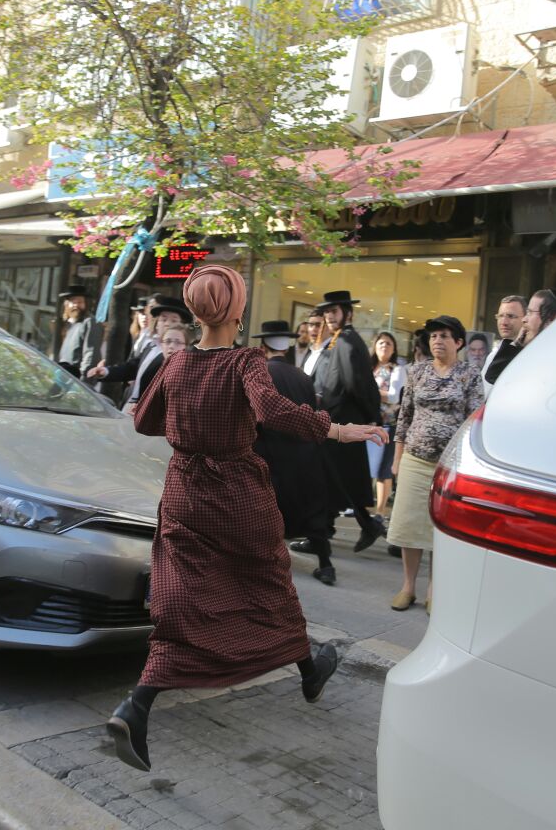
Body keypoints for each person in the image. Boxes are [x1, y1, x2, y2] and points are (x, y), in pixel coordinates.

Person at [107, 265, 387, 773]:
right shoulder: (245, 362)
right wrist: (340, 431)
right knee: (267, 583)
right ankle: (307, 669)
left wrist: (187, 407)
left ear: (194, 311)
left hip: (185, 491)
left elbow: (146, 421)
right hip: (237, 491)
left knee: (183, 598)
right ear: (236, 310)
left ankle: (139, 704)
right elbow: (276, 413)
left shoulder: (177, 364)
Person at [388, 316, 484, 612]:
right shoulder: (416, 371)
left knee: (440, 529)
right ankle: (408, 586)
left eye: (444, 336)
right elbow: (404, 417)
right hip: (415, 459)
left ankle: (434, 590)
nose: (438, 341)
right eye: (433, 337)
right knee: (408, 524)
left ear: (458, 342)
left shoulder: (470, 373)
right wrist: (397, 459)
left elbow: (475, 420)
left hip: (451, 464)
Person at [252, 320, 337, 586]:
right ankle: (325, 564)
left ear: (263, 345)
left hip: (271, 454)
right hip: (305, 455)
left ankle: (266, 567)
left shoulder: (260, 375)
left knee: (269, 512)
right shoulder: (302, 377)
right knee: (312, 512)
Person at [310, 290, 386, 554]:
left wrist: (368, 416)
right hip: (339, 419)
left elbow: (356, 384)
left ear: (348, 313)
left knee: (333, 475)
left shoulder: (346, 341)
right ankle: (333, 527)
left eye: (334, 311)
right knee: (337, 476)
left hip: (342, 422)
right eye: (327, 312)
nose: (330, 317)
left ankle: (328, 530)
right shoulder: (341, 339)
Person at [88, 296, 191, 412]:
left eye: (174, 320)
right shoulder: (150, 345)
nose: (167, 324)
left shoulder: (179, 355)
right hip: (130, 406)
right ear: (157, 323)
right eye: (164, 319)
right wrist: (106, 372)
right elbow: (132, 368)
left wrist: (146, 408)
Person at [484, 289, 556, 387]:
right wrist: (517, 344)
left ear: (551, 318)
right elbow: (493, 376)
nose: (524, 319)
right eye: (500, 316)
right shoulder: (536, 351)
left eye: (530, 312)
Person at [367, 332, 407, 520]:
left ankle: (380, 511)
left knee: (384, 470)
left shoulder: (397, 370)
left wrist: (371, 393)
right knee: (365, 466)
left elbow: (394, 397)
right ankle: (359, 504)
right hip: (366, 423)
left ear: (394, 348)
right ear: (375, 346)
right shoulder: (368, 367)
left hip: (387, 424)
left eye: (389, 343)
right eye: (381, 342)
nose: (385, 346)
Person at [55, 283, 103, 378]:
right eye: (73, 302)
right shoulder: (69, 324)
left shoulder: (90, 322)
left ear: (86, 304)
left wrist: (83, 381)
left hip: (77, 382)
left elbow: (90, 355)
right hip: (64, 378)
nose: (76, 305)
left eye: (80, 302)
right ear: (67, 304)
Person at [481, 295, 526, 395]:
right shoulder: (493, 355)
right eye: (500, 316)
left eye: (510, 316)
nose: (504, 322)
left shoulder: (531, 354)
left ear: (525, 319)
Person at [301, 312, 325, 377]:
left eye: (318, 325)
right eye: (311, 325)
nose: (313, 329)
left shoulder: (332, 353)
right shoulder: (309, 352)